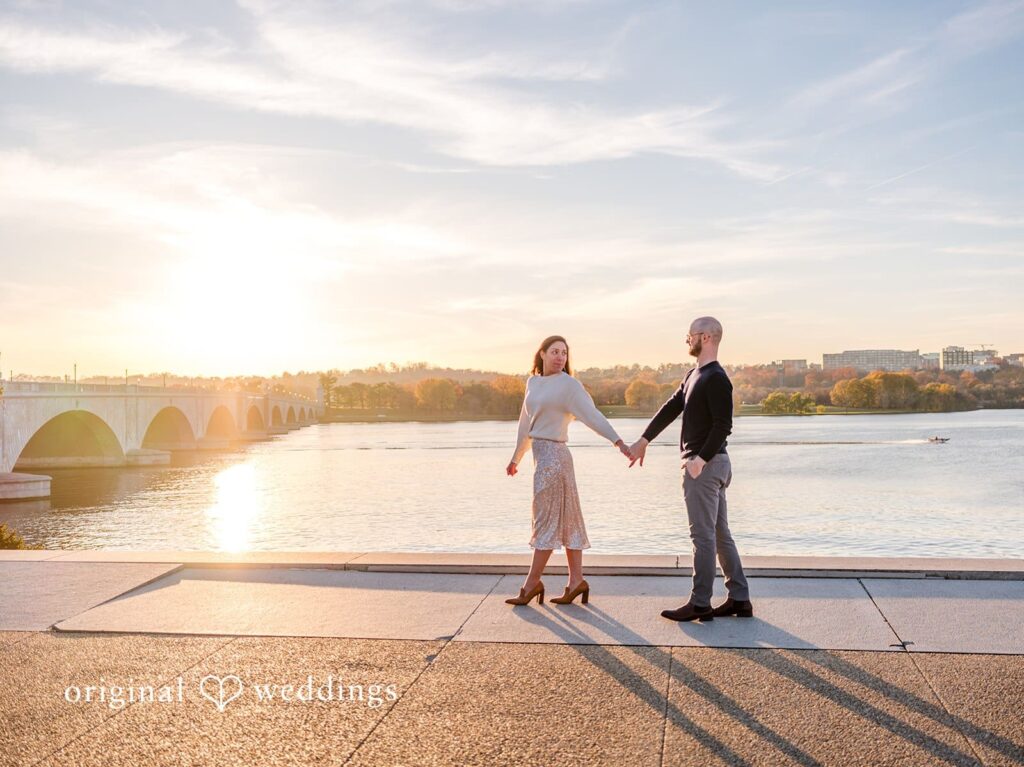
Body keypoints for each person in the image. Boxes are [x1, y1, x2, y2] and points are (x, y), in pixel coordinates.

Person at [628, 317, 753, 622]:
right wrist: (645, 439)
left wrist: (699, 461)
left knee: (703, 537)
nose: (687, 340)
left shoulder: (717, 378)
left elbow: (724, 425)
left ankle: (700, 603)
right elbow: (672, 407)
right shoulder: (693, 375)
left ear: (707, 337)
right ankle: (739, 599)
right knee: (720, 534)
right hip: (712, 465)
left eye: (691, 336)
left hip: (706, 466)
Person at [505, 335, 633, 606]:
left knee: (546, 521)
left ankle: (530, 585)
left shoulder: (569, 386)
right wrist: (516, 457)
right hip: (541, 458)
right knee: (567, 519)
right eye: (554, 352)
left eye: (564, 352)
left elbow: (593, 415)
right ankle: (576, 581)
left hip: (556, 458)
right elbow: (525, 424)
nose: (560, 357)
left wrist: (618, 442)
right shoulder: (533, 383)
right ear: (542, 354)